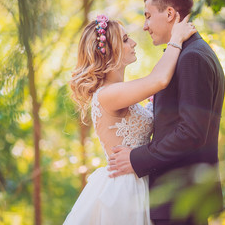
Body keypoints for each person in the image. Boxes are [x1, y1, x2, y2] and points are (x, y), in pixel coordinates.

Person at [63, 12, 196, 225]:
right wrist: (176, 39)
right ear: (109, 51)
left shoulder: (119, 92)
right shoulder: (107, 94)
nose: (133, 43)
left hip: (142, 179)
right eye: (125, 39)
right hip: (124, 190)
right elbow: (159, 79)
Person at [108, 0, 225, 225]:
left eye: (148, 15)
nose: (144, 25)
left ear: (170, 14)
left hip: (181, 198)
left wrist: (136, 159)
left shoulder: (192, 58)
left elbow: (191, 133)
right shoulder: (191, 53)